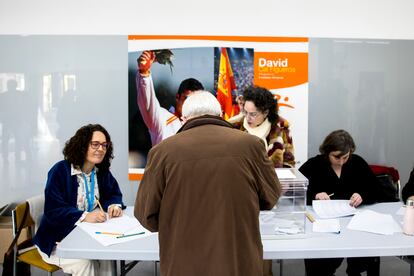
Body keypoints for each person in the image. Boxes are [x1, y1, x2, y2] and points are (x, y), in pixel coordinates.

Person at [134, 91, 281, 276]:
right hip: (238, 261)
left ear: (184, 118)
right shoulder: (252, 145)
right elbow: (271, 196)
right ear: (219, 115)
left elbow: (145, 214)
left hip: (183, 263)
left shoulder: (161, 152)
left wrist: (174, 221)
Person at [33, 124, 125, 276]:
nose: (101, 149)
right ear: (82, 146)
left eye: (104, 145)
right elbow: (53, 211)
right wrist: (85, 216)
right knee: (85, 264)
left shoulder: (100, 172)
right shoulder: (60, 171)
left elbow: (113, 193)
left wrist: (114, 205)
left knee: (108, 256)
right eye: (95, 144)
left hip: (85, 236)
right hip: (57, 240)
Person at [299, 129, 381, 276]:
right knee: (320, 265)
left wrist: (362, 195)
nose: (342, 162)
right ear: (327, 152)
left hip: (355, 224)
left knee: (366, 253)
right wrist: (315, 195)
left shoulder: (357, 162)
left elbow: (376, 189)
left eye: (345, 157)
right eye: (337, 157)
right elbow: (296, 190)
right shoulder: (314, 165)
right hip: (324, 227)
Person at [136, 50, 204, 146]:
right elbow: (147, 104)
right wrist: (144, 73)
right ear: (177, 97)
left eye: (195, 101)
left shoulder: (202, 126)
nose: (190, 105)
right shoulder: (162, 118)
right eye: (187, 99)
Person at [229, 85, 295, 168]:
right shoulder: (235, 126)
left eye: (253, 114)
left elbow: (289, 162)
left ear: (265, 112)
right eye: (245, 112)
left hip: (272, 179)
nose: (247, 117)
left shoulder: (281, 127)